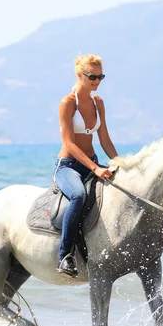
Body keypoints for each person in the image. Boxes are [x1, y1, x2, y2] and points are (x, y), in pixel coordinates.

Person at [53, 53, 118, 277]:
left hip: (93, 163)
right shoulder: (68, 103)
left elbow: (105, 140)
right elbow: (69, 144)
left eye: (101, 77)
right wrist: (95, 168)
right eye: (92, 76)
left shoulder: (98, 102)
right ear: (79, 75)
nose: (96, 81)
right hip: (69, 166)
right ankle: (65, 256)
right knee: (79, 196)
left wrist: (120, 163)